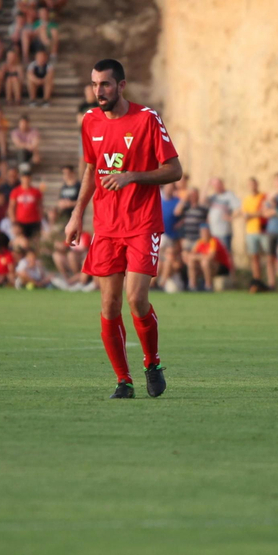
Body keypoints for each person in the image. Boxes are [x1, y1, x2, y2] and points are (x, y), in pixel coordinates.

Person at [64, 58, 183, 398]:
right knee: (109, 304)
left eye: (104, 84)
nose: (98, 91)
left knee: (136, 298)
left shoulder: (146, 119)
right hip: (106, 226)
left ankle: (152, 362)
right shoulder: (90, 121)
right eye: (94, 84)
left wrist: (133, 176)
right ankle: (123, 380)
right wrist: (76, 215)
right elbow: (91, 170)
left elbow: (174, 170)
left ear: (121, 85)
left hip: (142, 223)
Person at [241, 177, 269, 292]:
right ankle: (257, 281)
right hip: (251, 231)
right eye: (250, 184)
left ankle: (271, 282)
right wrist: (256, 214)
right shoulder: (246, 199)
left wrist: (252, 215)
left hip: (263, 230)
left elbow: (264, 212)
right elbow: (244, 216)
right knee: (254, 257)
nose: (252, 186)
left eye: (254, 184)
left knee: (269, 257)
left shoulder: (263, 197)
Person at [189, 224, 231, 291]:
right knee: (191, 263)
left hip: (222, 267)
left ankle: (208, 286)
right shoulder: (200, 242)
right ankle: (192, 286)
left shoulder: (214, 241)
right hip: (209, 265)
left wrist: (198, 257)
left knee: (205, 263)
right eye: (202, 232)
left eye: (205, 232)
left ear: (209, 232)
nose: (204, 234)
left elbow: (210, 257)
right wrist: (199, 257)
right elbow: (191, 256)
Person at [10, 167, 44, 244]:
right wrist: (14, 222)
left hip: (34, 221)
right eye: (24, 178)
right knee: (22, 242)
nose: (26, 180)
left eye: (28, 178)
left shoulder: (36, 192)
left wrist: (41, 219)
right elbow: (12, 207)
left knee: (35, 241)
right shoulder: (16, 191)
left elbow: (40, 206)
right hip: (21, 221)